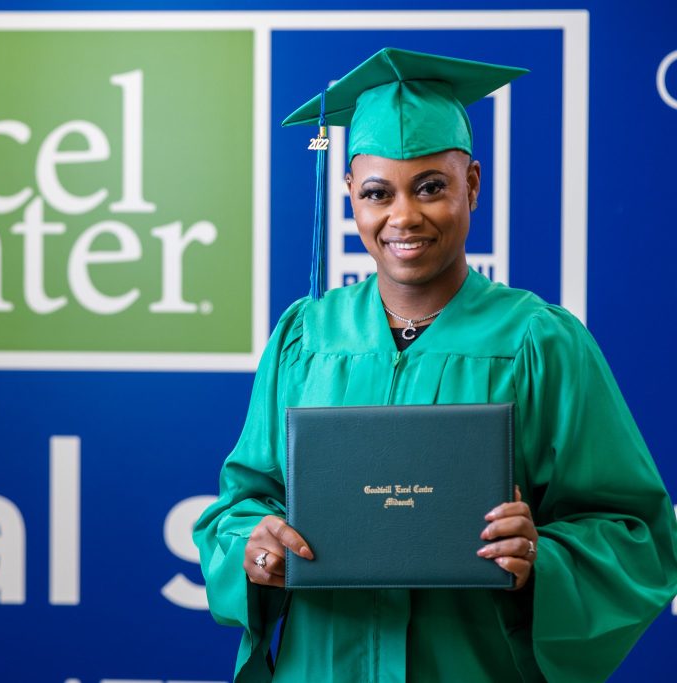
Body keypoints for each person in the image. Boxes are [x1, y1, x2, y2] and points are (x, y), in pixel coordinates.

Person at [193, 48, 677, 683]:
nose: (403, 217)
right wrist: (254, 551)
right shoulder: (304, 338)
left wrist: (542, 557)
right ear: (350, 198)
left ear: (471, 184)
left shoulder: (538, 342)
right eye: (376, 193)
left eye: (431, 187)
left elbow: (637, 532)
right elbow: (241, 505)